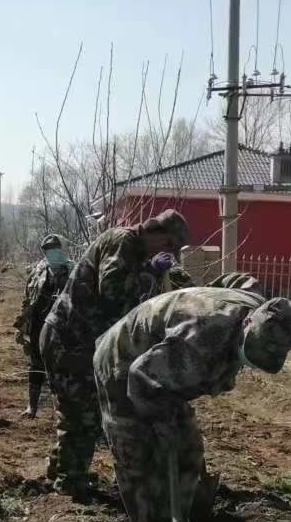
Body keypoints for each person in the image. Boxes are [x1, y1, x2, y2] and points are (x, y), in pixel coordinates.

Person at [96, 286, 291, 522]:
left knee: (188, 450)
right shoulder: (201, 338)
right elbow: (141, 378)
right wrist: (160, 424)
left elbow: (234, 280)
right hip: (125, 362)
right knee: (139, 461)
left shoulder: (262, 308)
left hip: (168, 368)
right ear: (247, 324)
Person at [37, 209, 189, 495]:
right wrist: (149, 274)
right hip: (69, 339)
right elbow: (112, 293)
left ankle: (62, 469)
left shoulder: (133, 250)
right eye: (168, 245)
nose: (167, 253)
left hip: (76, 339)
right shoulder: (123, 243)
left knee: (76, 409)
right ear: (157, 233)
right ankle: (71, 482)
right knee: (83, 413)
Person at [14, 234, 70, 418]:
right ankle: (32, 406)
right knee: (36, 364)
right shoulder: (38, 270)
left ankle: (63, 410)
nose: (52, 252)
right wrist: (23, 326)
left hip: (65, 328)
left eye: (56, 248)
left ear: (63, 249)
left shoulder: (75, 270)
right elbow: (28, 298)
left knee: (63, 369)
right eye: (48, 250)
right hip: (39, 325)